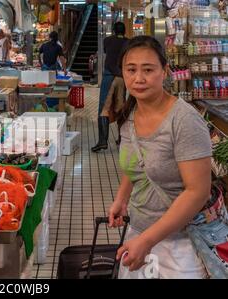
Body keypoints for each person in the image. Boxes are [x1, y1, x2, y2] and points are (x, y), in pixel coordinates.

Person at [109, 36, 212, 279]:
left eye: (148, 70)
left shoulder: (184, 121)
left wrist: (148, 240)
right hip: (139, 232)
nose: (138, 78)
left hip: (181, 244)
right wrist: (122, 199)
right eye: (131, 69)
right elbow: (135, 161)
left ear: (165, 71)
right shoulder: (130, 113)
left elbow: (198, 191)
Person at [92, 22, 129, 152]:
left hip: (109, 77)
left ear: (113, 30)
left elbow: (107, 51)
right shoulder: (128, 43)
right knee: (121, 108)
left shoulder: (107, 40)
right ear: (124, 31)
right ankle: (122, 138)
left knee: (104, 108)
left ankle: (102, 141)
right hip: (122, 78)